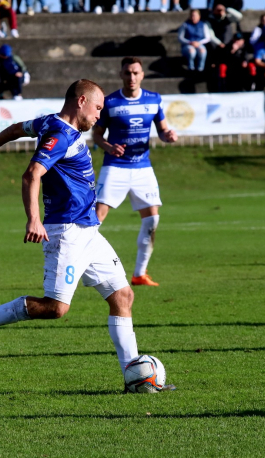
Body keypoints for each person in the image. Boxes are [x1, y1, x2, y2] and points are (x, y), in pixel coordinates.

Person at [0, 80, 174, 391]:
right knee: (56, 308)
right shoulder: (60, 135)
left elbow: (22, 126)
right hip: (67, 233)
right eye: (98, 108)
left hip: (89, 231)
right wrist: (34, 219)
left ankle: (133, 375)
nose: (99, 116)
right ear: (82, 101)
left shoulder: (50, 122)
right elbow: (32, 174)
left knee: (123, 296)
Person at [91, 58, 177, 287]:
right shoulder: (109, 102)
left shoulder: (153, 100)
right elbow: (96, 135)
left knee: (152, 220)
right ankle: (82, 265)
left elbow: (163, 129)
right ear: (121, 74)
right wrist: (108, 146)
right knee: (96, 218)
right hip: (115, 168)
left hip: (142, 169)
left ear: (142, 75)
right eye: (127, 73)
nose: (131, 77)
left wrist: (168, 136)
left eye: (135, 73)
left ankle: (139, 274)